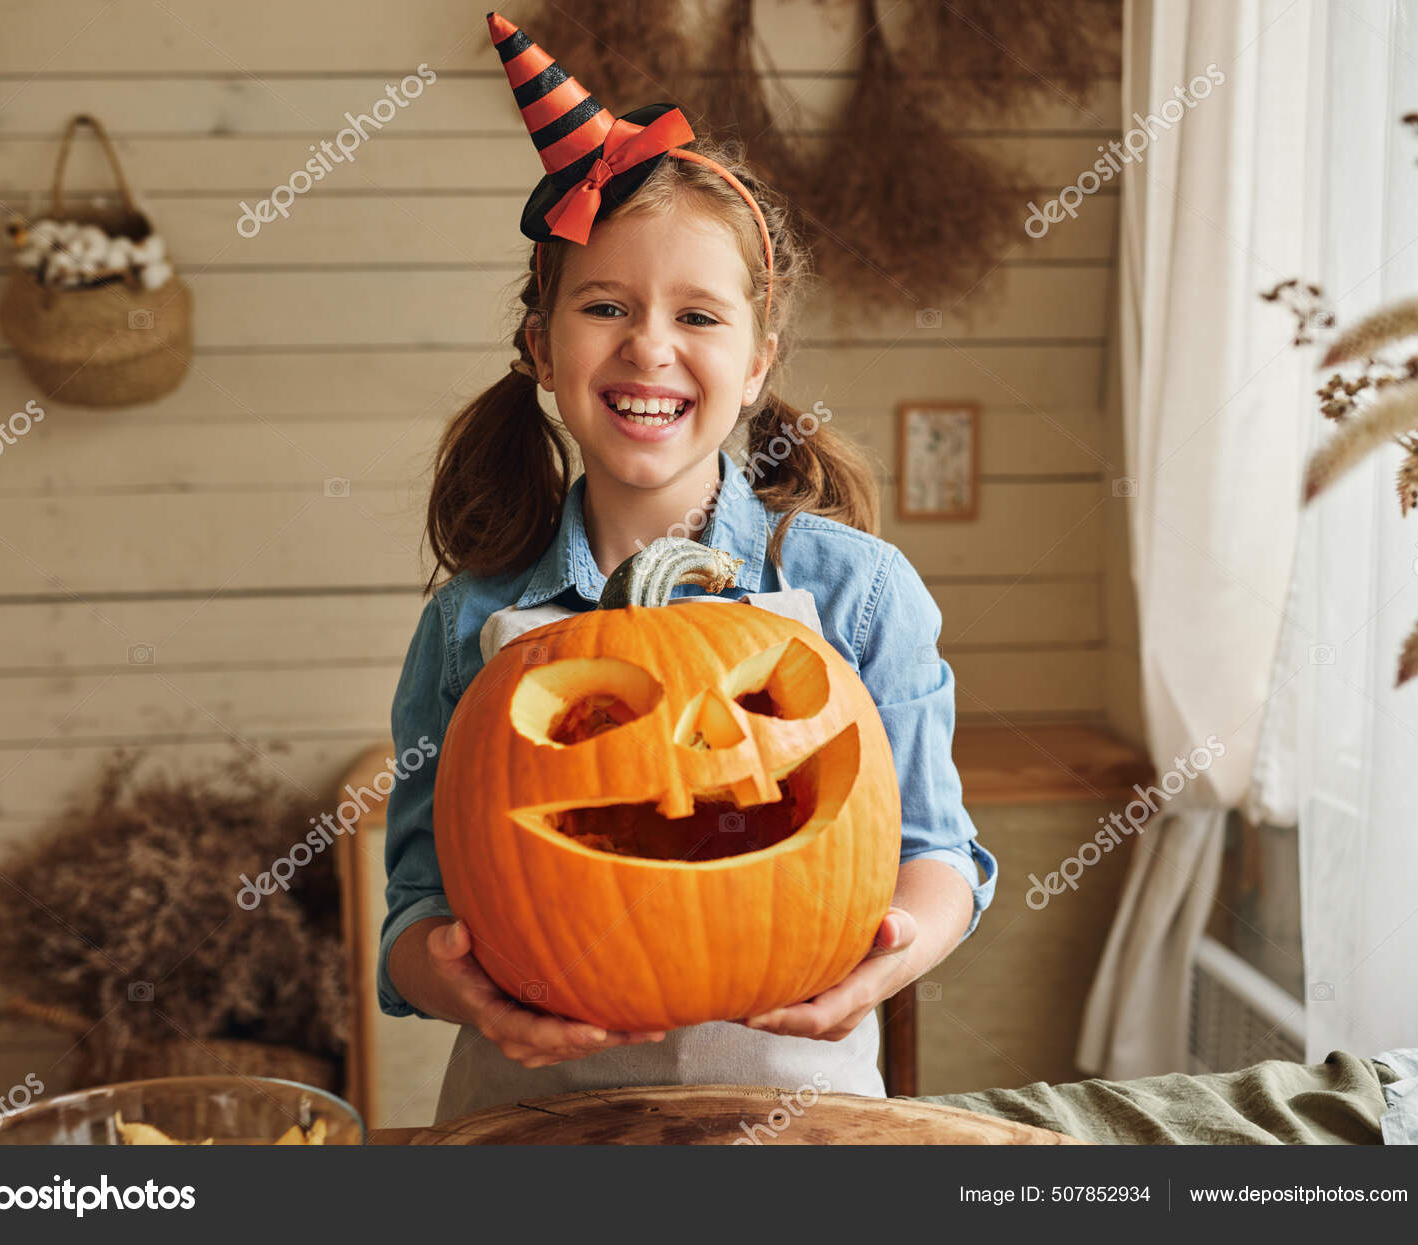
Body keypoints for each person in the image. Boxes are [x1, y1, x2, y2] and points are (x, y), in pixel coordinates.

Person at [378, 11, 997, 1125]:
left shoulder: (859, 593)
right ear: (541, 347)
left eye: (696, 316)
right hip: (535, 1120)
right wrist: (463, 984)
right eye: (604, 307)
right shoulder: (473, 616)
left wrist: (886, 965)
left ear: (755, 362)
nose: (648, 348)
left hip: (798, 1113)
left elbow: (939, 860)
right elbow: (417, 910)